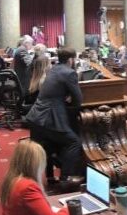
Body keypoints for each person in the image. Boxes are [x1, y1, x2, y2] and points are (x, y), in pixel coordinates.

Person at [25, 47, 84, 187]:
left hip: (36, 117)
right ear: (71, 59)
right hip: (49, 118)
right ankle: (66, 178)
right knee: (74, 142)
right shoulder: (69, 73)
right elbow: (78, 100)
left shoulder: (53, 69)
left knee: (53, 144)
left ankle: (50, 177)